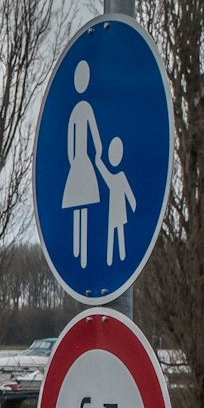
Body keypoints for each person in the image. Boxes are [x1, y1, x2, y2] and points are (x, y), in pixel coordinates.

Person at [62, 60, 103, 269]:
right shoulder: (84, 108)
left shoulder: (77, 110)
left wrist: (73, 160)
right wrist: (97, 154)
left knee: (78, 204)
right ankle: (82, 256)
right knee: (83, 204)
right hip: (83, 161)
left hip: (77, 162)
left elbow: (70, 141)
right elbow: (95, 135)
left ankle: (80, 251)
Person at [100, 136, 135, 266]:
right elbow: (105, 174)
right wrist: (98, 162)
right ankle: (110, 260)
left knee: (119, 233)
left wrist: (133, 204)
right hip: (114, 211)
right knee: (112, 233)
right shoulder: (115, 177)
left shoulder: (120, 176)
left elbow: (128, 192)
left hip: (119, 211)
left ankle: (120, 257)